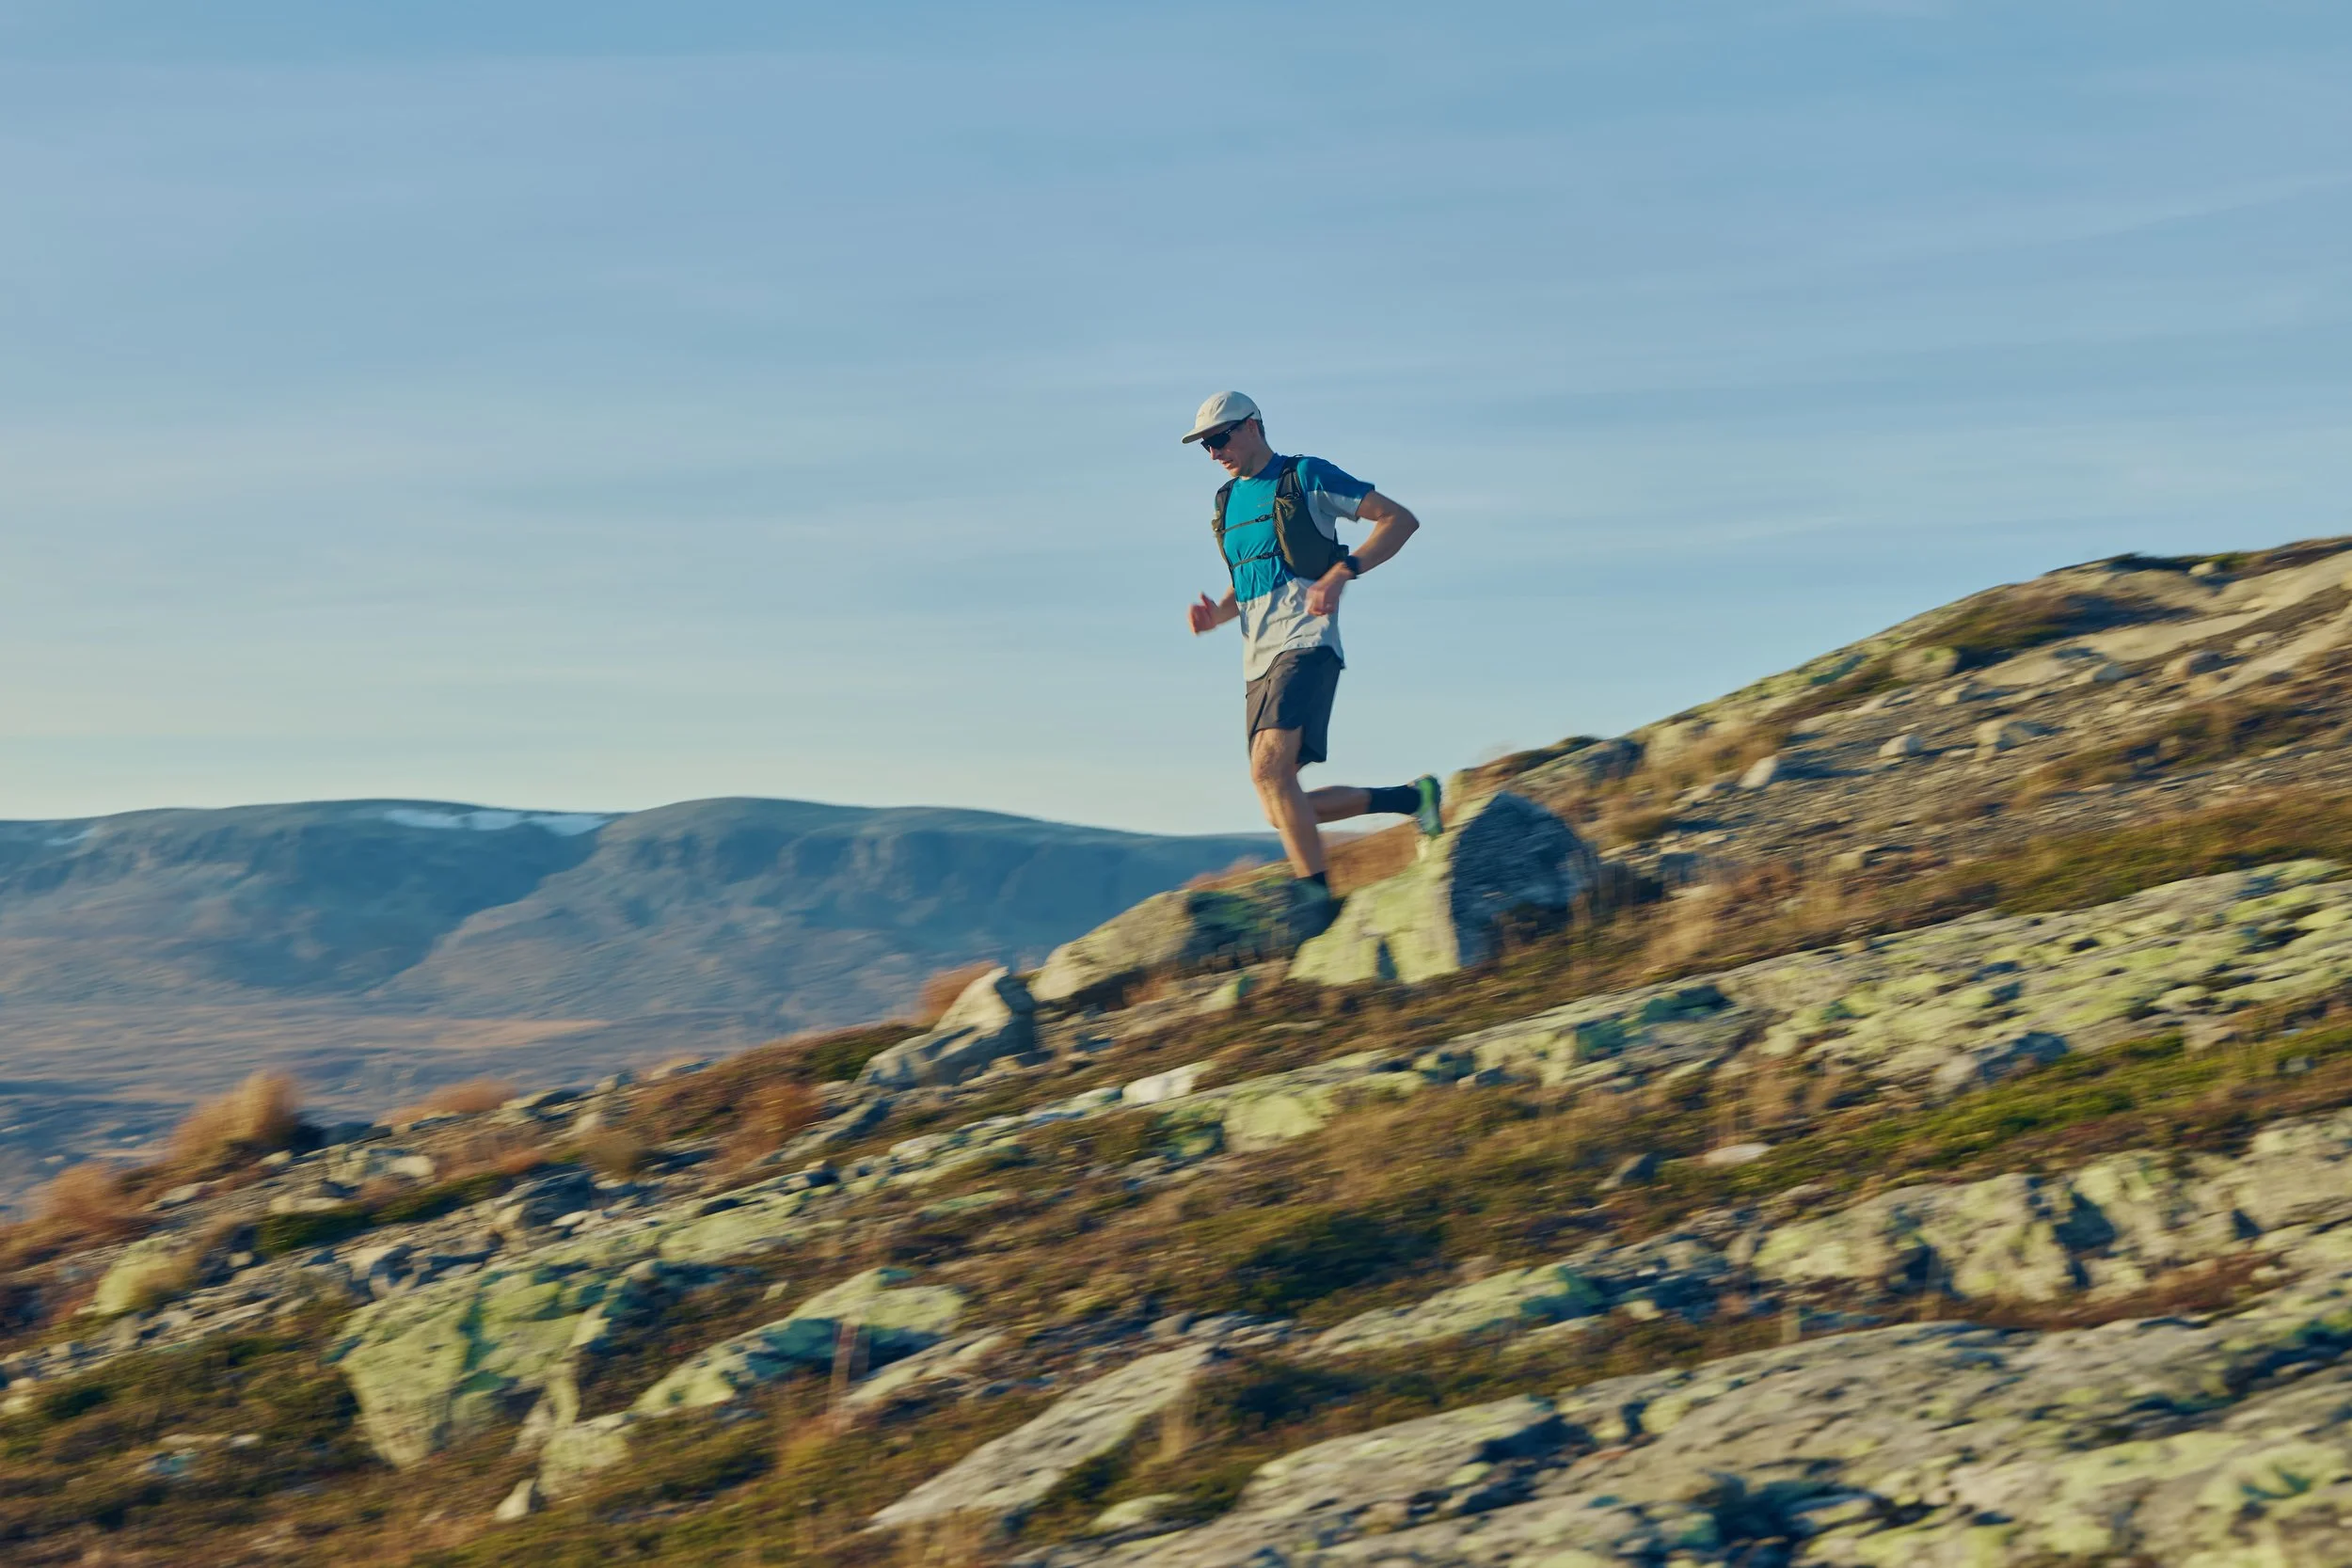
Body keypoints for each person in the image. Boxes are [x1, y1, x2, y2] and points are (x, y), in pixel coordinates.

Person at [1181, 389, 1442, 928]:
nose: (1213, 453)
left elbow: (1399, 519)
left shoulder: (1306, 476)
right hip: (1258, 659)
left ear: (1253, 425)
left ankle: (1317, 907)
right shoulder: (1225, 503)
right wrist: (1217, 616)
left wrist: (1343, 572)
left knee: (1270, 771)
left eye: (1220, 438)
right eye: (1205, 446)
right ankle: (1414, 799)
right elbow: (1248, 584)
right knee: (1280, 807)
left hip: (1307, 642)